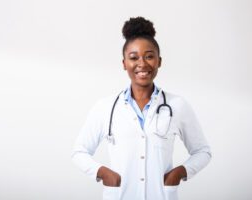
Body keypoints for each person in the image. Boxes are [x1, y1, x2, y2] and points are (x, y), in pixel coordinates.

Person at [72, 16, 212, 200]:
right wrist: (104, 173)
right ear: (124, 63)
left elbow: (203, 152)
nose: (142, 64)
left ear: (159, 61)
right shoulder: (105, 107)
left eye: (149, 56)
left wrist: (178, 173)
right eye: (133, 57)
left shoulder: (177, 105)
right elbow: (79, 153)